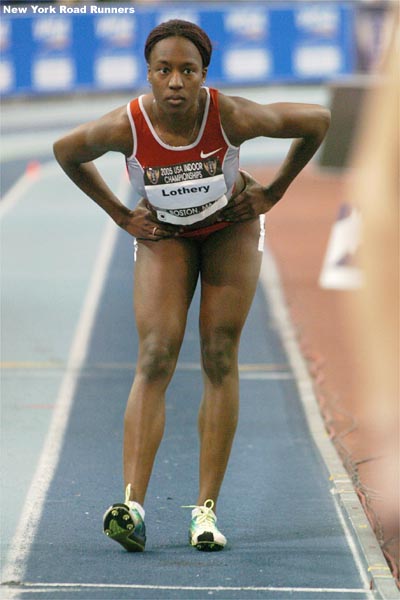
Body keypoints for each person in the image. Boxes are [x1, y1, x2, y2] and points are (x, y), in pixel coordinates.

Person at [53, 19, 330, 552]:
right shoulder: (126, 126)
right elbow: (67, 152)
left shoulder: (231, 115)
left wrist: (274, 191)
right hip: (166, 235)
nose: (176, 82)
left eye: (187, 71)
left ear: (204, 75)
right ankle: (131, 504)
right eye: (164, 71)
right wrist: (118, 214)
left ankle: (205, 511)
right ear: (149, 76)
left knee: (219, 354)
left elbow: (316, 120)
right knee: (156, 353)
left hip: (229, 228)